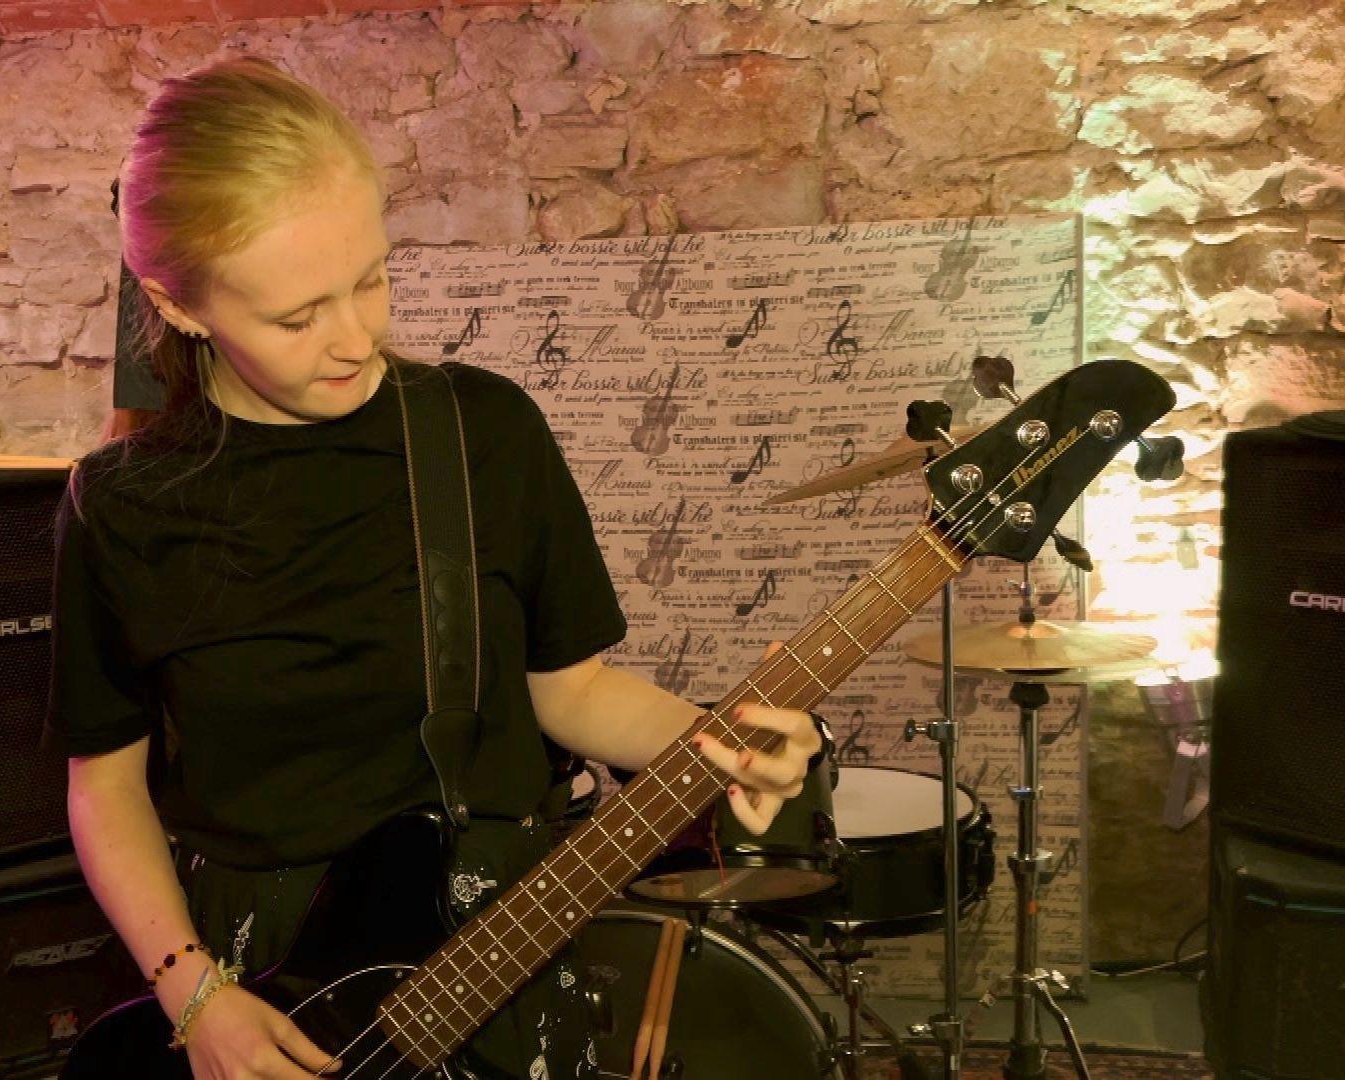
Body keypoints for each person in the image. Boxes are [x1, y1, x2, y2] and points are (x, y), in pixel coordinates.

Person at [45, 58, 820, 1080]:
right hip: (258, 991)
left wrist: (721, 744)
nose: (356, 337)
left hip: (496, 954)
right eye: (296, 315)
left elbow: (572, 693)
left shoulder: (484, 433)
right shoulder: (119, 506)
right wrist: (195, 998)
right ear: (179, 307)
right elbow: (105, 789)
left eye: (370, 278)